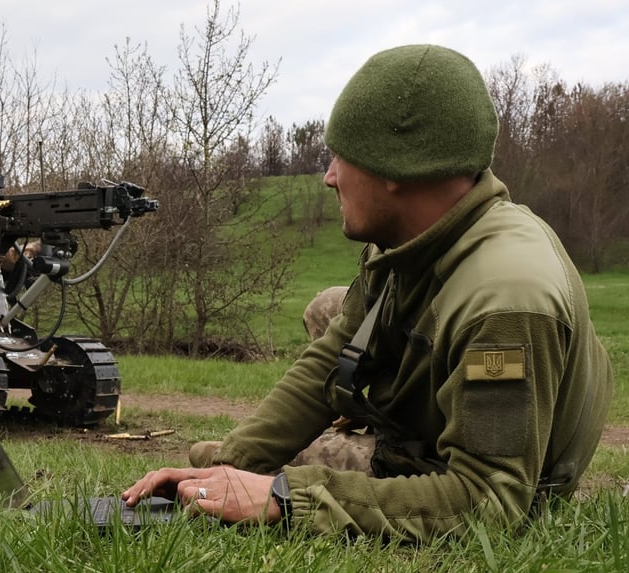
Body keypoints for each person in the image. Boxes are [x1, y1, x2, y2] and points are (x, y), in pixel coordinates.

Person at [121, 44, 614, 542]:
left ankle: (381, 450)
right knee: (213, 458)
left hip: (485, 475)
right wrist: (230, 466)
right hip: (434, 413)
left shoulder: (508, 298)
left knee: (273, 480)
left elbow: (491, 500)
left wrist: (287, 498)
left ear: (397, 169)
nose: (329, 177)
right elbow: (330, 359)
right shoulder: (410, 244)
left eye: (341, 157)